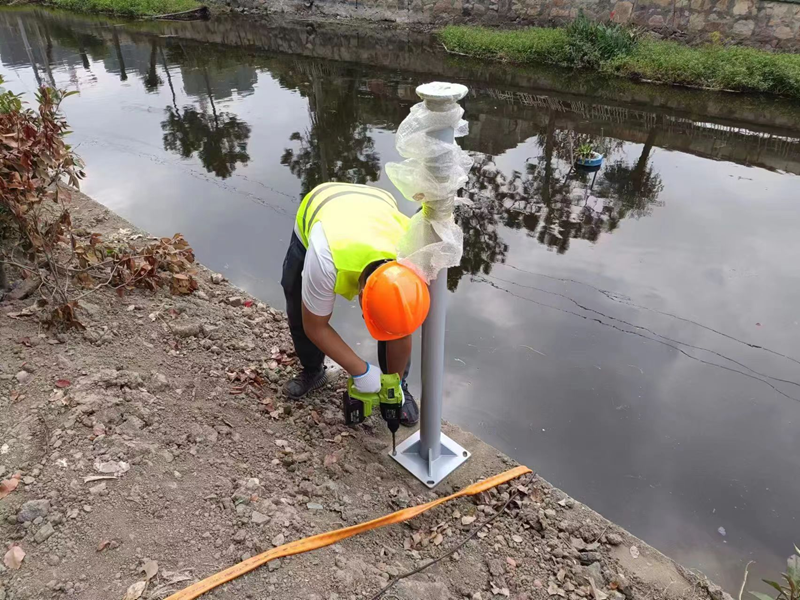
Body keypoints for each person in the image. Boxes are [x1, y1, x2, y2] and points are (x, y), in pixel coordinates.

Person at [281, 182, 430, 427]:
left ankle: (399, 387)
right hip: (323, 206)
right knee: (298, 301)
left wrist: (392, 383)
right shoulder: (324, 256)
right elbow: (315, 326)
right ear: (362, 296)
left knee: (397, 317)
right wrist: (360, 371)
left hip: (375, 204)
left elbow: (402, 328)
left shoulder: (411, 259)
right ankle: (313, 371)